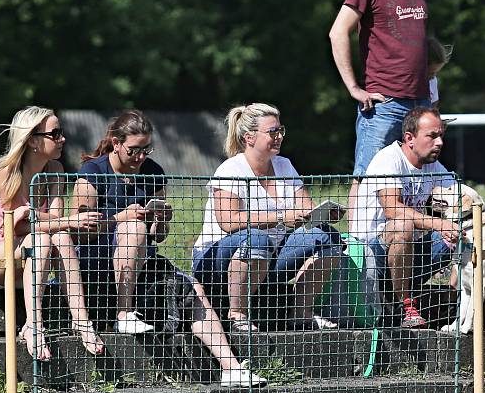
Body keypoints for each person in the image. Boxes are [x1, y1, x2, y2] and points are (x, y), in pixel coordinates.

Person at [71, 109, 265, 387]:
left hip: (142, 264)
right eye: (133, 150)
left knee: (193, 290)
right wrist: (119, 219)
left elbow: (158, 237)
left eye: (146, 149)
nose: (140, 157)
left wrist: (161, 221)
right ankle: (124, 314)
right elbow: (79, 231)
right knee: (133, 227)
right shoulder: (92, 172)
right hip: (98, 263)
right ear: (116, 143)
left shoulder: (153, 173)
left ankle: (231, 368)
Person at [0, 106, 104, 360]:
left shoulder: (55, 172)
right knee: (43, 237)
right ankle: (34, 326)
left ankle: (82, 321)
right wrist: (65, 221)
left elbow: (56, 222)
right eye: (55, 133)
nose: (62, 139)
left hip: (28, 257)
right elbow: (14, 227)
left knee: (59, 236)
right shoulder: (6, 172)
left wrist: (39, 217)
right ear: (32, 141)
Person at [192, 103, 344, 331]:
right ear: (249, 137)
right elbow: (228, 221)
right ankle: (237, 315)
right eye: (272, 132)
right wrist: (282, 217)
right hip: (217, 260)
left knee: (328, 237)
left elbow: (307, 208)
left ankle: (301, 313)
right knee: (256, 239)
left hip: (269, 256)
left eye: (281, 130)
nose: (279, 136)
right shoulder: (230, 169)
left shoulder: (284, 165)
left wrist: (323, 214)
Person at [329, 0, 430, 206]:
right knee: (367, 178)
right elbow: (338, 33)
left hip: (419, 102)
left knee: (415, 182)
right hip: (384, 103)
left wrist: (431, 89)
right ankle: (356, 250)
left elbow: (418, 43)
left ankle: (409, 249)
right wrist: (353, 87)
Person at [349, 107, 459, 328]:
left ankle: (455, 298)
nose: (440, 143)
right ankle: (406, 306)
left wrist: (463, 218)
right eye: (432, 136)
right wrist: (438, 222)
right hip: (371, 254)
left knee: (461, 229)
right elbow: (393, 210)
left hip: (407, 251)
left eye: (441, 136)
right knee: (403, 225)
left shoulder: (433, 166)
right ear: (409, 138)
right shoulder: (388, 159)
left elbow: (460, 199)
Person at [427, 36, 453, 109]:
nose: (433, 76)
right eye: (430, 73)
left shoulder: (433, 81)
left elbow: (434, 103)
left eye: (436, 73)